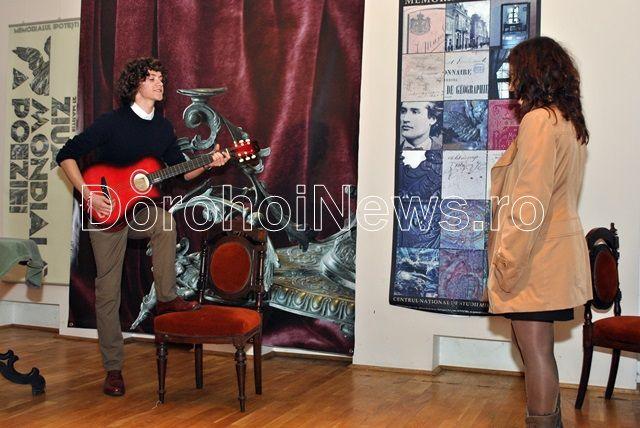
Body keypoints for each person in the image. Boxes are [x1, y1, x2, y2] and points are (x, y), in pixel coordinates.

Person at [56, 57, 230, 397]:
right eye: (152, 78)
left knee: (164, 221)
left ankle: (166, 297)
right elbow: (66, 155)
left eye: (161, 78)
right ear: (136, 85)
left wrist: (210, 162)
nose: (160, 82)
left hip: (138, 212)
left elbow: (182, 172)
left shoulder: (162, 129)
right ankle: (113, 369)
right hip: (105, 212)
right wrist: (88, 194)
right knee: (108, 291)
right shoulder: (112, 122)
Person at [487, 37, 591, 427]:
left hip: (535, 259)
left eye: (515, 72)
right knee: (539, 353)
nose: (511, 82)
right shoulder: (566, 121)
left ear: (533, 72)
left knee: (535, 356)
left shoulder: (539, 121)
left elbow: (529, 203)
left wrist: (507, 262)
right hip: (551, 257)